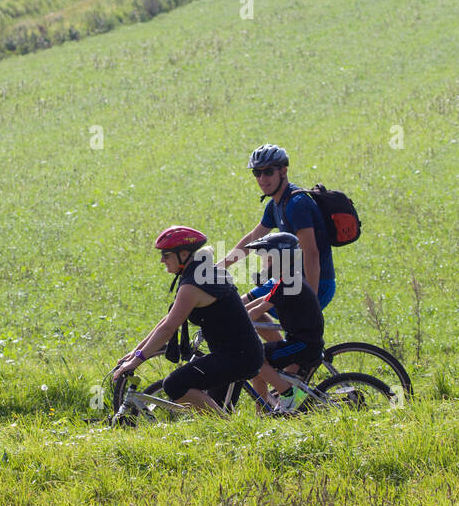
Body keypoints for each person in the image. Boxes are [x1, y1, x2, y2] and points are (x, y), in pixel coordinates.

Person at [113, 226, 263, 414]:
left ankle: (228, 429)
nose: (162, 260)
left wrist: (136, 361)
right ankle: (227, 432)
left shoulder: (194, 284)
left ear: (183, 254)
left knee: (175, 385)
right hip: (240, 353)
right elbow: (168, 320)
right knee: (215, 412)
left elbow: (168, 328)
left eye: (166, 255)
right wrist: (135, 353)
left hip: (237, 356)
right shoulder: (200, 273)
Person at [220, 144, 336, 312]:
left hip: (314, 284)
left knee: (239, 313)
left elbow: (311, 253)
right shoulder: (275, 204)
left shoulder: (297, 204)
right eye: (256, 173)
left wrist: (310, 297)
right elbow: (253, 238)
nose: (262, 179)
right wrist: (219, 266)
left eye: (268, 172)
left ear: (283, 171)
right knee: (237, 310)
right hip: (288, 280)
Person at [243, 232, 324, 413]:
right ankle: (263, 411)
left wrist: (236, 325)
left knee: (255, 358)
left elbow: (258, 310)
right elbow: (261, 300)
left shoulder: (288, 282)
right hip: (301, 341)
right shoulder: (286, 280)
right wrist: (237, 313)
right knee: (257, 366)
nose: (264, 264)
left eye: (268, 259)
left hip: (303, 344)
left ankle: (287, 394)